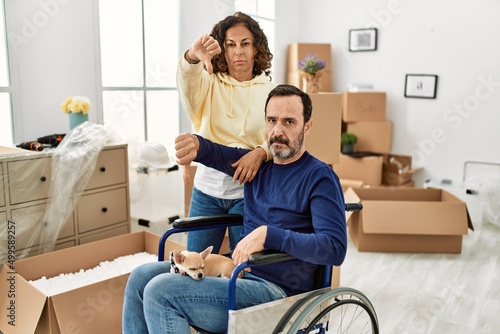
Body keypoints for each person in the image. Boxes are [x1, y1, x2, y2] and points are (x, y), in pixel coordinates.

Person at [122, 84, 347, 333]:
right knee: (140, 278)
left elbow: (334, 248)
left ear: (307, 126)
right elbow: (216, 153)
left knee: (161, 290)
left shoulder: (320, 177)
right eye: (271, 120)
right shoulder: (257, 167)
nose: (278, 130)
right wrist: (196, 145)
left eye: (289, 122)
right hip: (236, 275)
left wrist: (268, 234)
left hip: (277, 294)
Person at [176, 12, 276, 255]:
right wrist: (192, 56)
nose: (238, 52)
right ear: (222, 50)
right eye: (230, 45)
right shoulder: (208, 83)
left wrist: (263, 152)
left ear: (256, 49)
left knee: (242, 267)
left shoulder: (273, 91)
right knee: (194, 263)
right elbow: (187, 84)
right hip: (206, 193)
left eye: (245, 44)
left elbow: (281, 137)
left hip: (248, 194)